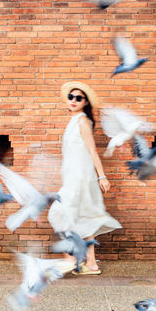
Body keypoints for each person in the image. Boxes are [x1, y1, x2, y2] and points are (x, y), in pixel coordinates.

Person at [48, 81, 121, 275]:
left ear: (85, 103)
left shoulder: (82, 122)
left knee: (59, 213)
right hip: (73, 178)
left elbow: (92, 151)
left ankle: (71, 259)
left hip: (81, 179)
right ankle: (91, 264)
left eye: (78, 98)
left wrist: (102, 177)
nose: (73, 100)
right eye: (71, 97)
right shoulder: (74, 121)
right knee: (82, 218)